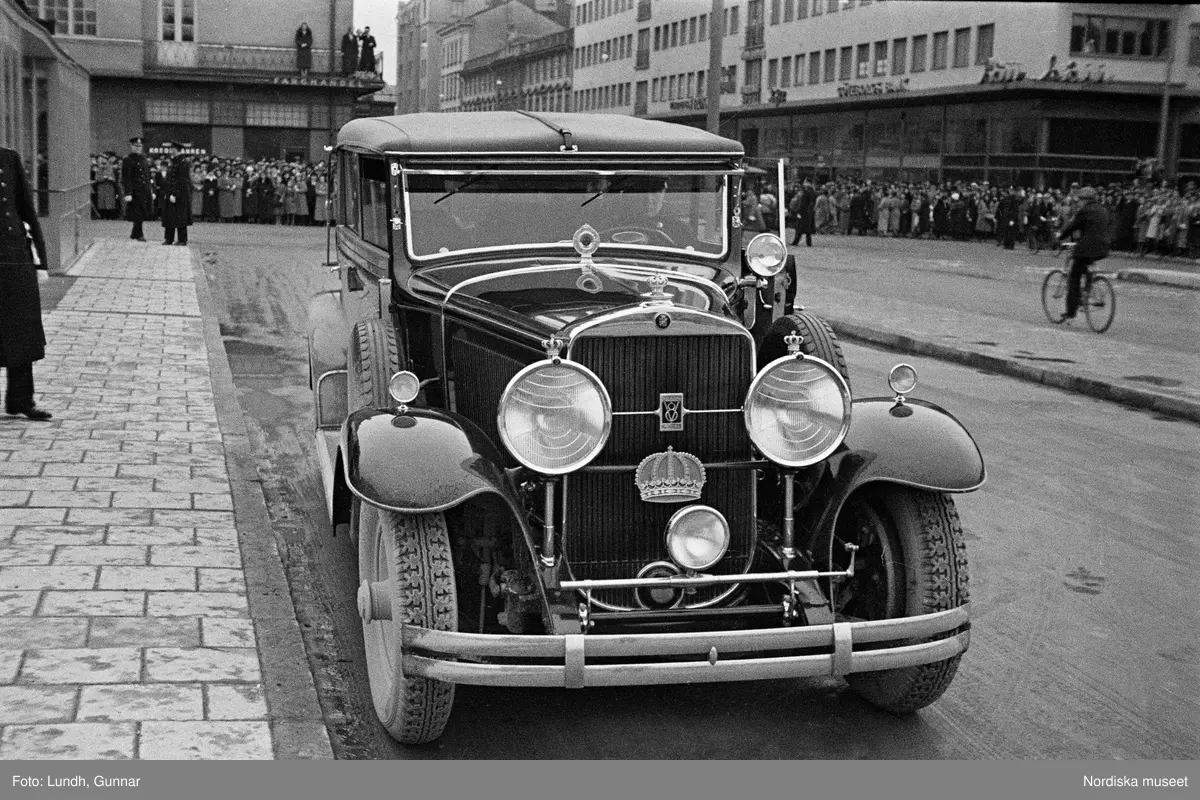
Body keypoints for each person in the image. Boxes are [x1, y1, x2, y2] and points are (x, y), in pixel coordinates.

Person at [0, 147, 52, 420]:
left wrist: (41, 261)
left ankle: (21, 400)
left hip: (14, 256)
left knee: (21, 328)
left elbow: (26, 210)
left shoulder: (9, 158)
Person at [1055, 187, 1111, 320]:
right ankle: (1088, 289)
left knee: (1074, 276)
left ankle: (1070, 311)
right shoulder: (1102, 210)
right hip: (1103, 247)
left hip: (1087, 248)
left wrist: (1060, 237)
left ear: (1086, 200)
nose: (1078, 202)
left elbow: (1072, 226)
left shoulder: (1085, 211)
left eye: (1080, 200)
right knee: (1085, 267)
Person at [120, 136, 153, 242]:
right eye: (136, 146)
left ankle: (134, 233)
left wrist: (151, 190)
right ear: (131, 146)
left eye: (140, 146)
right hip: (134, 191)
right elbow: (126, 178)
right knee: (138, 213)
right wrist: (128, 192)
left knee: (142, 212)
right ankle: (139, 234)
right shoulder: (128, 160)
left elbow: (147, 176)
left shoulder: (144, 159)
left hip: (144, 190)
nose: (138, 148)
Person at [161, 141, 192, 246]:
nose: (170, 150)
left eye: (171, 148)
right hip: (170, 192)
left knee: (180, 217)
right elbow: (169, 179)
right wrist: (167, 192)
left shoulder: (183, 162)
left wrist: (175, 194)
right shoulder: (173, 161)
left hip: (180, 194)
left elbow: (182, 180)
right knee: (169, 215)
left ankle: (182, 240)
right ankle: (168, 239)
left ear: (175, 149)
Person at [789, 180, 816, 246]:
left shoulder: (805, 192)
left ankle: (795, 241)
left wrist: (799, 212)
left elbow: (803, 204)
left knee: (799, 227)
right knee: (808, 229)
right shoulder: (812, 192)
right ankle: (809, 242)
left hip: (803, 212)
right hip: (809, 213)